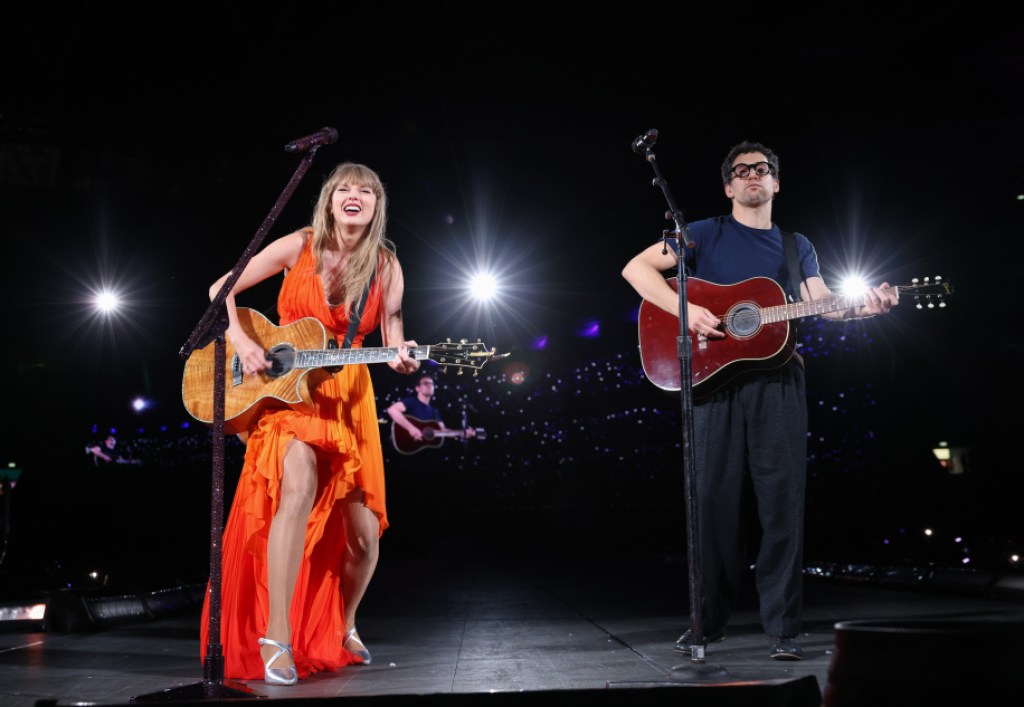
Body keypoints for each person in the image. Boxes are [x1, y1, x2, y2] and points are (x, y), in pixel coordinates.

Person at [621, 140, 897, 661]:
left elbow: (823, 307)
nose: (752, 175)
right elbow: (636, 270)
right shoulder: (702, 233)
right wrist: (685, 312)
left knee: (781, 504)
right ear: (728, 186)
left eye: (762, 169)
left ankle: (784, 630)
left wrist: (865, 309)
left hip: (779, 382)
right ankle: (706, 623)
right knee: (713, 505)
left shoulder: (797, 246)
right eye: (741, 170)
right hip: (711, 381)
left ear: (776, 183)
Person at [198, 162, 421, 685]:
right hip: (289, 395)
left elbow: (394, 332)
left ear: (375, 206)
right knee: (295, 490)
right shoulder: (298, 245)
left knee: (365, 536)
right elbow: (218, 288)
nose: (354, 195)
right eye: (345, 187)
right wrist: (242, 340)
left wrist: (403, 353)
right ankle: (276, 636)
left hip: (347, 397)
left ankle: (344, 624)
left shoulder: (385, 265)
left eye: (366, 191)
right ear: (328, 199)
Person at [386, 373, 476, 446]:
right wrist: (411, 428)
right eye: (425, 383)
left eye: (431, 384)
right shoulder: (411, 402)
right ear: (417, 388)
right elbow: (392, 410)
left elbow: (442, 430)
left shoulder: (434, 411)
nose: (429, 386)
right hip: (405, 447)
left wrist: (462, 433)